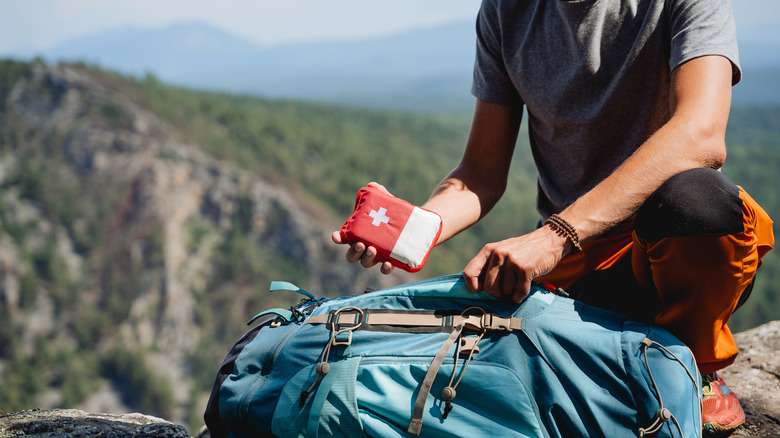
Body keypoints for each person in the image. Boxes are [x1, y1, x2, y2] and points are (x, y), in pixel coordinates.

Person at [332, 0, 774, 433]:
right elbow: (480, 175)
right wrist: (413, 226)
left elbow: (700, 135)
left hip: (672, 255)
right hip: (577, 275)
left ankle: (689, 366)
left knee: (699, 201)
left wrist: (555, 235)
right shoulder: (507, 11)